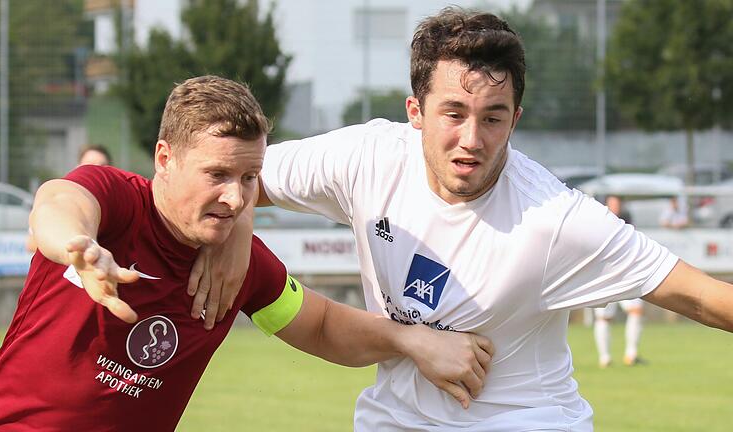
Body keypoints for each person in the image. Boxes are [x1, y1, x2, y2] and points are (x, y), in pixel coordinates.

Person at [196, 8, 733, 431]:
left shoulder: (555, 220)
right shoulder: (366, 158)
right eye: (453, 114)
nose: (472, 140)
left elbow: (703, 297)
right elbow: (236, 177)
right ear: (415, 112)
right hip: (393, 421)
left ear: (515, 119)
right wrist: (235, 232)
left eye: (493, 118)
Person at [0, 76, 493, 431]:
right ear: (165, 158)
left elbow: (324, 326)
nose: (237, 198)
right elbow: (57, 203)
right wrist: (80, 249)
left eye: (249, 178)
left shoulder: (243, 265)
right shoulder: (118, 202)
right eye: (217, 175)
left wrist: (411, 340)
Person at [593, 195, 644, 367]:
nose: (616, 205)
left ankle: (631, 353)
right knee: (604, 318)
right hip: (603, 275)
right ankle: (605, 357)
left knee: (636, 310)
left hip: (625, 274)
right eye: (612, 202)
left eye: (618, 202)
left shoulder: (626, 222)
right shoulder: (597, 221)